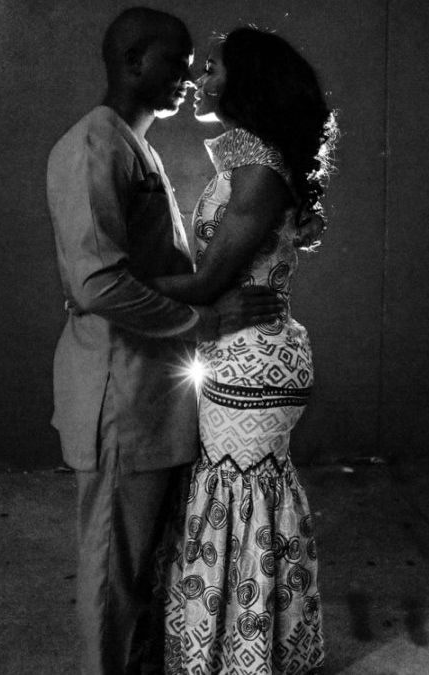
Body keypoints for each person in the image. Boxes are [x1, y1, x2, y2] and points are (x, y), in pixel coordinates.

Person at [46, 8, 286, 673]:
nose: (186, 73)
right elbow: (98, 285)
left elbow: (137, 275)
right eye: (174, 60)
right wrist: (202, 320)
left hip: (149, 397)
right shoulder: (93, 147)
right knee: (113, 573)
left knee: (145, 568)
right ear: (131, 61)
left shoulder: (137, 145)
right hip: (118, 402)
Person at [151, 27, 338, 673]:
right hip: (245, 350)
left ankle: (245, 655)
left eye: (212, 68)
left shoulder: (258, 173)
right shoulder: (248, 163)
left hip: (253, 357)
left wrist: (107, 286)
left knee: (239, 497)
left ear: (247, 83)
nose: (199, 79)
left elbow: (208, 282)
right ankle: (249, 648)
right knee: (239, 494)